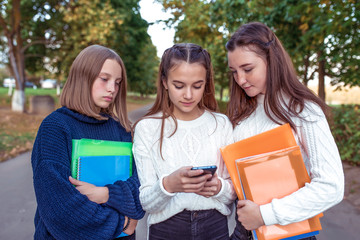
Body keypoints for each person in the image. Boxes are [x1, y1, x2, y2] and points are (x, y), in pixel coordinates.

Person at [225, 22, 344, 240]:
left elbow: (331, 186)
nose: (240, 80)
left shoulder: (303, 110)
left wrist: (264, 214)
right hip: (244, 233)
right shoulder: (241, 113)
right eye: (234, 72)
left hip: (289, 234)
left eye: (248, 69)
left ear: (272, 61)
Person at [31, 44, 144, 240]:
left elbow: (140, 188)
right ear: (83, 77)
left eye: (117, 82)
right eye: (104, 79)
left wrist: (107, 194)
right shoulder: (56, 127)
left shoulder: (122, 129)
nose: (112, 89)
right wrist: (122, 223)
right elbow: (59, 209)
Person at [132, 43, 236, 240]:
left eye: (197, 86)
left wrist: (220, 188)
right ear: (164, 82)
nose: (188, 95)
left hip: (215, 227)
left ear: (207, 83)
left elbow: (234, 191)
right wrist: (168, 185)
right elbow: (146, 202)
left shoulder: (221, 124)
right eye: (178, 85)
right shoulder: (147, 128)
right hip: (166, 229)